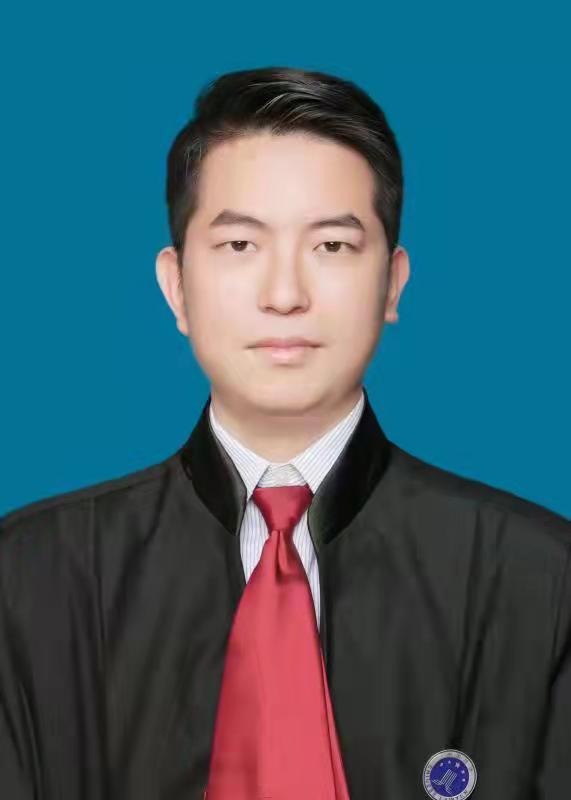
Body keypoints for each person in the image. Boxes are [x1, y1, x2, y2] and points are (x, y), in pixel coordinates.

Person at [0, 65, 569, 800]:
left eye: (331, 246)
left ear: (392, 283)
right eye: (240, 245)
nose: (285, 294)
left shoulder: (539, 580)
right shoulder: (30, 580)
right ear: (176, 287)